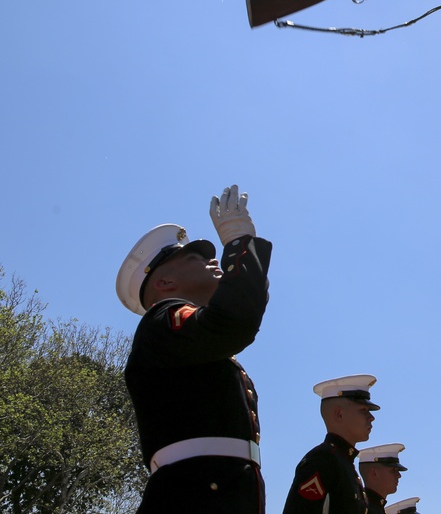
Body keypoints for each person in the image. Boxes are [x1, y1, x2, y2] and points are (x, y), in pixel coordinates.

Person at [117, 184, 271, 513]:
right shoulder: (163, 318)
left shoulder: (187, 338)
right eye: (196, 257)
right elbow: (232, 322)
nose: (211, 259)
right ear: (164, 285)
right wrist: (240, 246)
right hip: (194, 493)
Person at [283, 374, 380, 513]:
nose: (371, 418)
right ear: (339, 414)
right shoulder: (323, 459)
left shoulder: (343, 463)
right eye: (363, 410)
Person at [358, 443, 408, 514]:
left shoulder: (375, 508)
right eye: (393, 470)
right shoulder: (362, 509)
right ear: (374, 473)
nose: (399, 475)